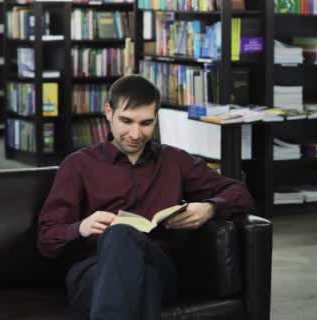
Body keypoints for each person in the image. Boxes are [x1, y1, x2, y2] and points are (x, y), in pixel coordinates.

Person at [37, 74, 254, 320]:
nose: (136, 133)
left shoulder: (174, 161)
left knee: (125, 240)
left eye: (146, 123)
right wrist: (81, 227)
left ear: (156, 119)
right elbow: (47, 239)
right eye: (126, 121)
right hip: (92, 269)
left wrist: (210, 209)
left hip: (159, 263)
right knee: (142, 276)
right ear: (109, 112)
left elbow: (240, 192)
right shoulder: (78, 165)